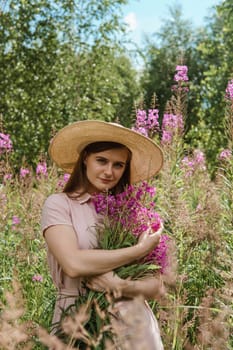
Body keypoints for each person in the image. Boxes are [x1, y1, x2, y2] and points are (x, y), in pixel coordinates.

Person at [41, 120, 165, 349]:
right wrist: (138, 250)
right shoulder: (59, 205)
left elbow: (157, 287)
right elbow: (73, 263)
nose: (109, 171)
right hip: (76, 320)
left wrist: (120, 286)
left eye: (118, 165)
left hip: (134, 325)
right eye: (101, 160)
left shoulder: (134, 214)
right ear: (85, 158)